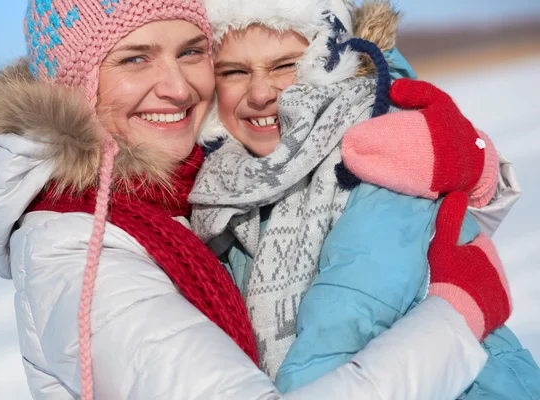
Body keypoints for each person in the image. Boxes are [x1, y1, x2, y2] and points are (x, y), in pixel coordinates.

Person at [0, 0, 495, 399]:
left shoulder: (202, 187)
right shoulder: (79, 244)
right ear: (74, 84)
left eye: (192, 52)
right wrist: (456, 319)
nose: (177, 86)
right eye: (134, 59)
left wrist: (467, 167)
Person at [189, 0, 535, 398]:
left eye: (285, 65)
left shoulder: (378, 151)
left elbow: (346, 319)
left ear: (331, 64)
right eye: (234, 72)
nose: (260, 92)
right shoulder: (226, 188)